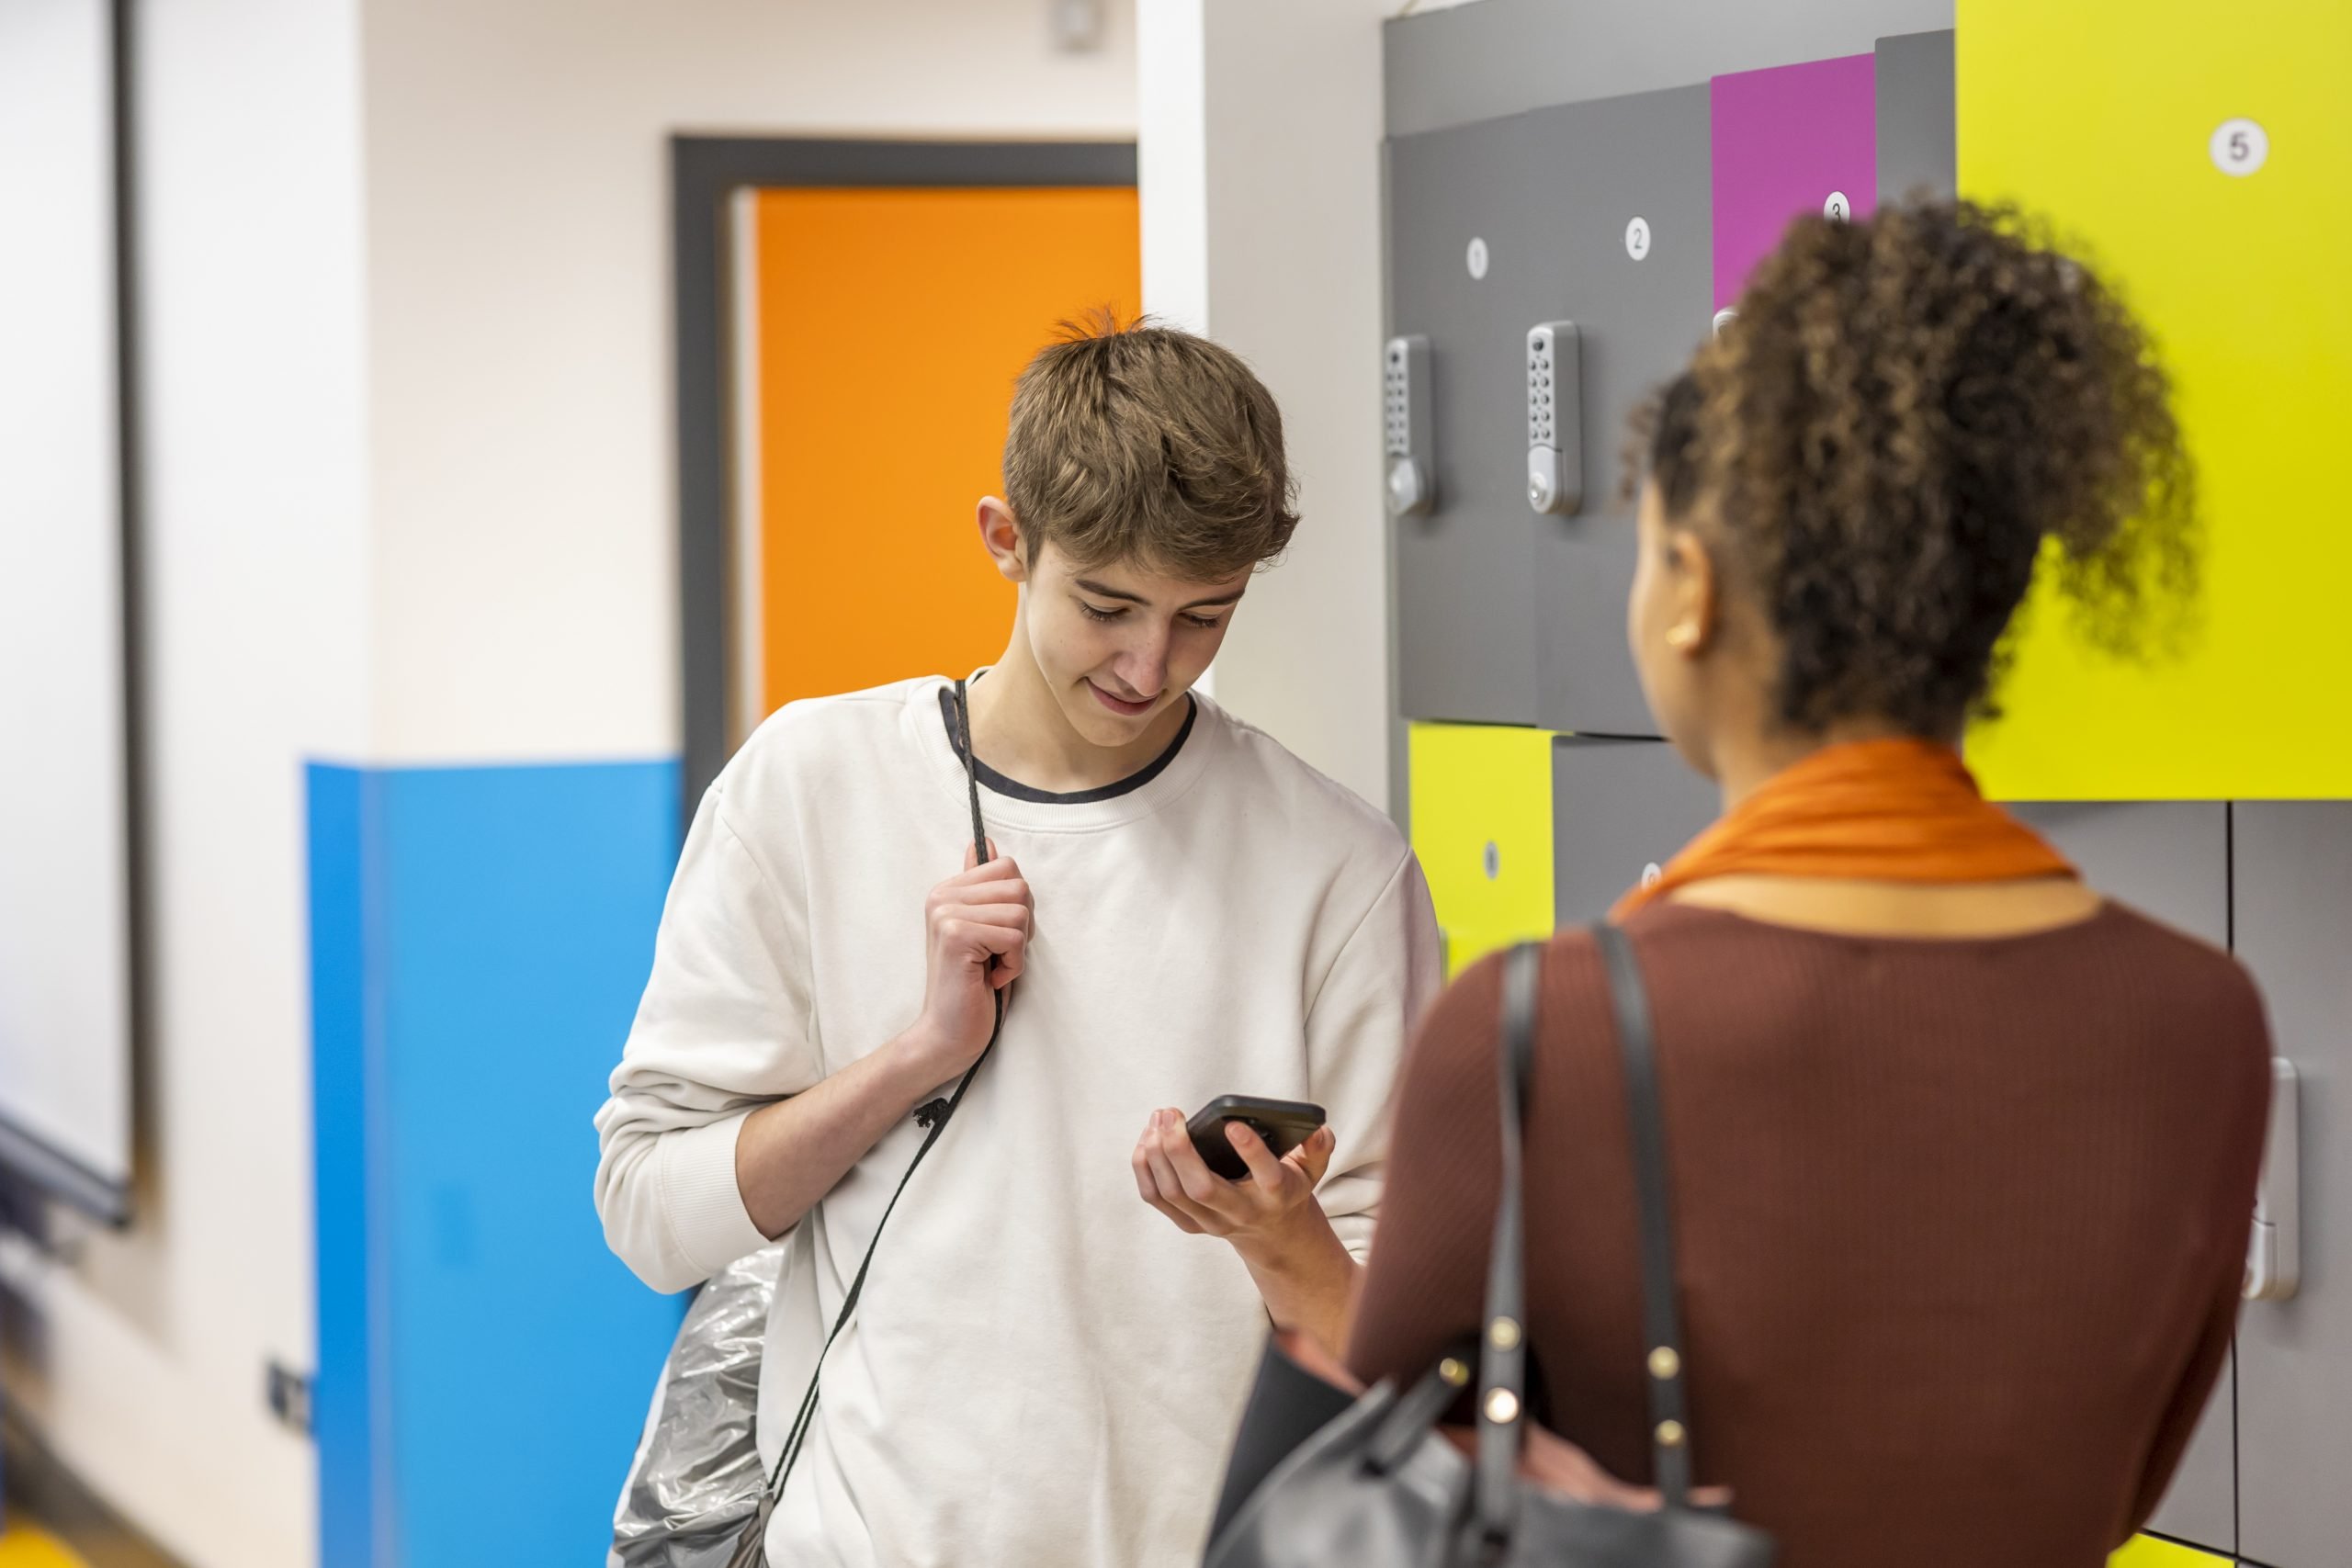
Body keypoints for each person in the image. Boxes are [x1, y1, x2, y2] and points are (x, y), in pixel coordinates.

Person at [1345, 202, 2269, 1567]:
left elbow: (1390, 1500)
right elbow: (2117, 1483)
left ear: (1691, 591)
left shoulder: (1539, 1033)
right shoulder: (2200, 1022)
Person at [595, 319, 1442, 1567]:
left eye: (1205, 617)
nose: (1151, 665)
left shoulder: (1341, 871)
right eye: (1107, 606)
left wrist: (1272, 1231)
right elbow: (649, 1215)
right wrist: (914, 1057)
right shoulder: (809, 786)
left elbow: (1402, 1336)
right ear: (1007, 540)